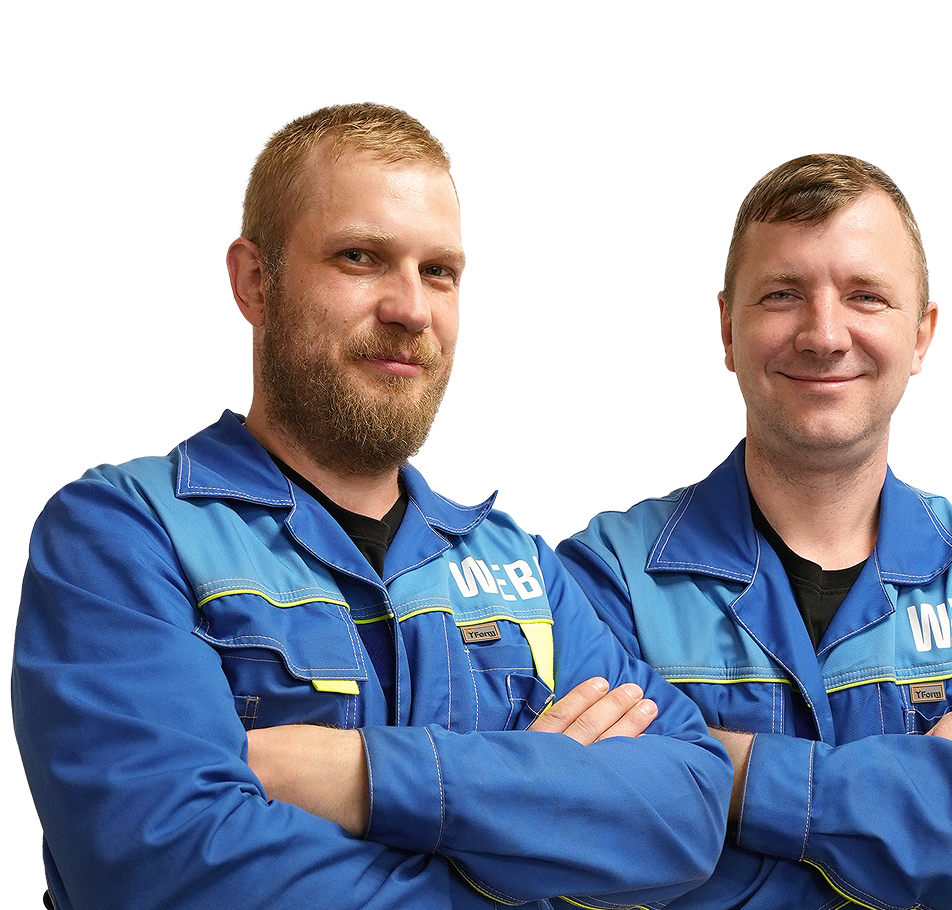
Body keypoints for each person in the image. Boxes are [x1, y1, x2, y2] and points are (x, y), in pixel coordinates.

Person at [11, 99, 732, 910]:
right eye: (360, 257)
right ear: (253, 281)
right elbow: (165, 869)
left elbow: (690, 811)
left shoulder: (520, 566)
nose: (411, 309)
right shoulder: (124, 532)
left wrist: (364, 775)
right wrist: (538, 823)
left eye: (440, 272)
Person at [556, 151, 952, 909]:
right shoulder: (604, 577)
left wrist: (733, 778)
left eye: (866, 297)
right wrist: (930, 786)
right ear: (726, 328)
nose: (824, 335)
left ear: (922, 334)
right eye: (783, 294)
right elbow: (584, 848)